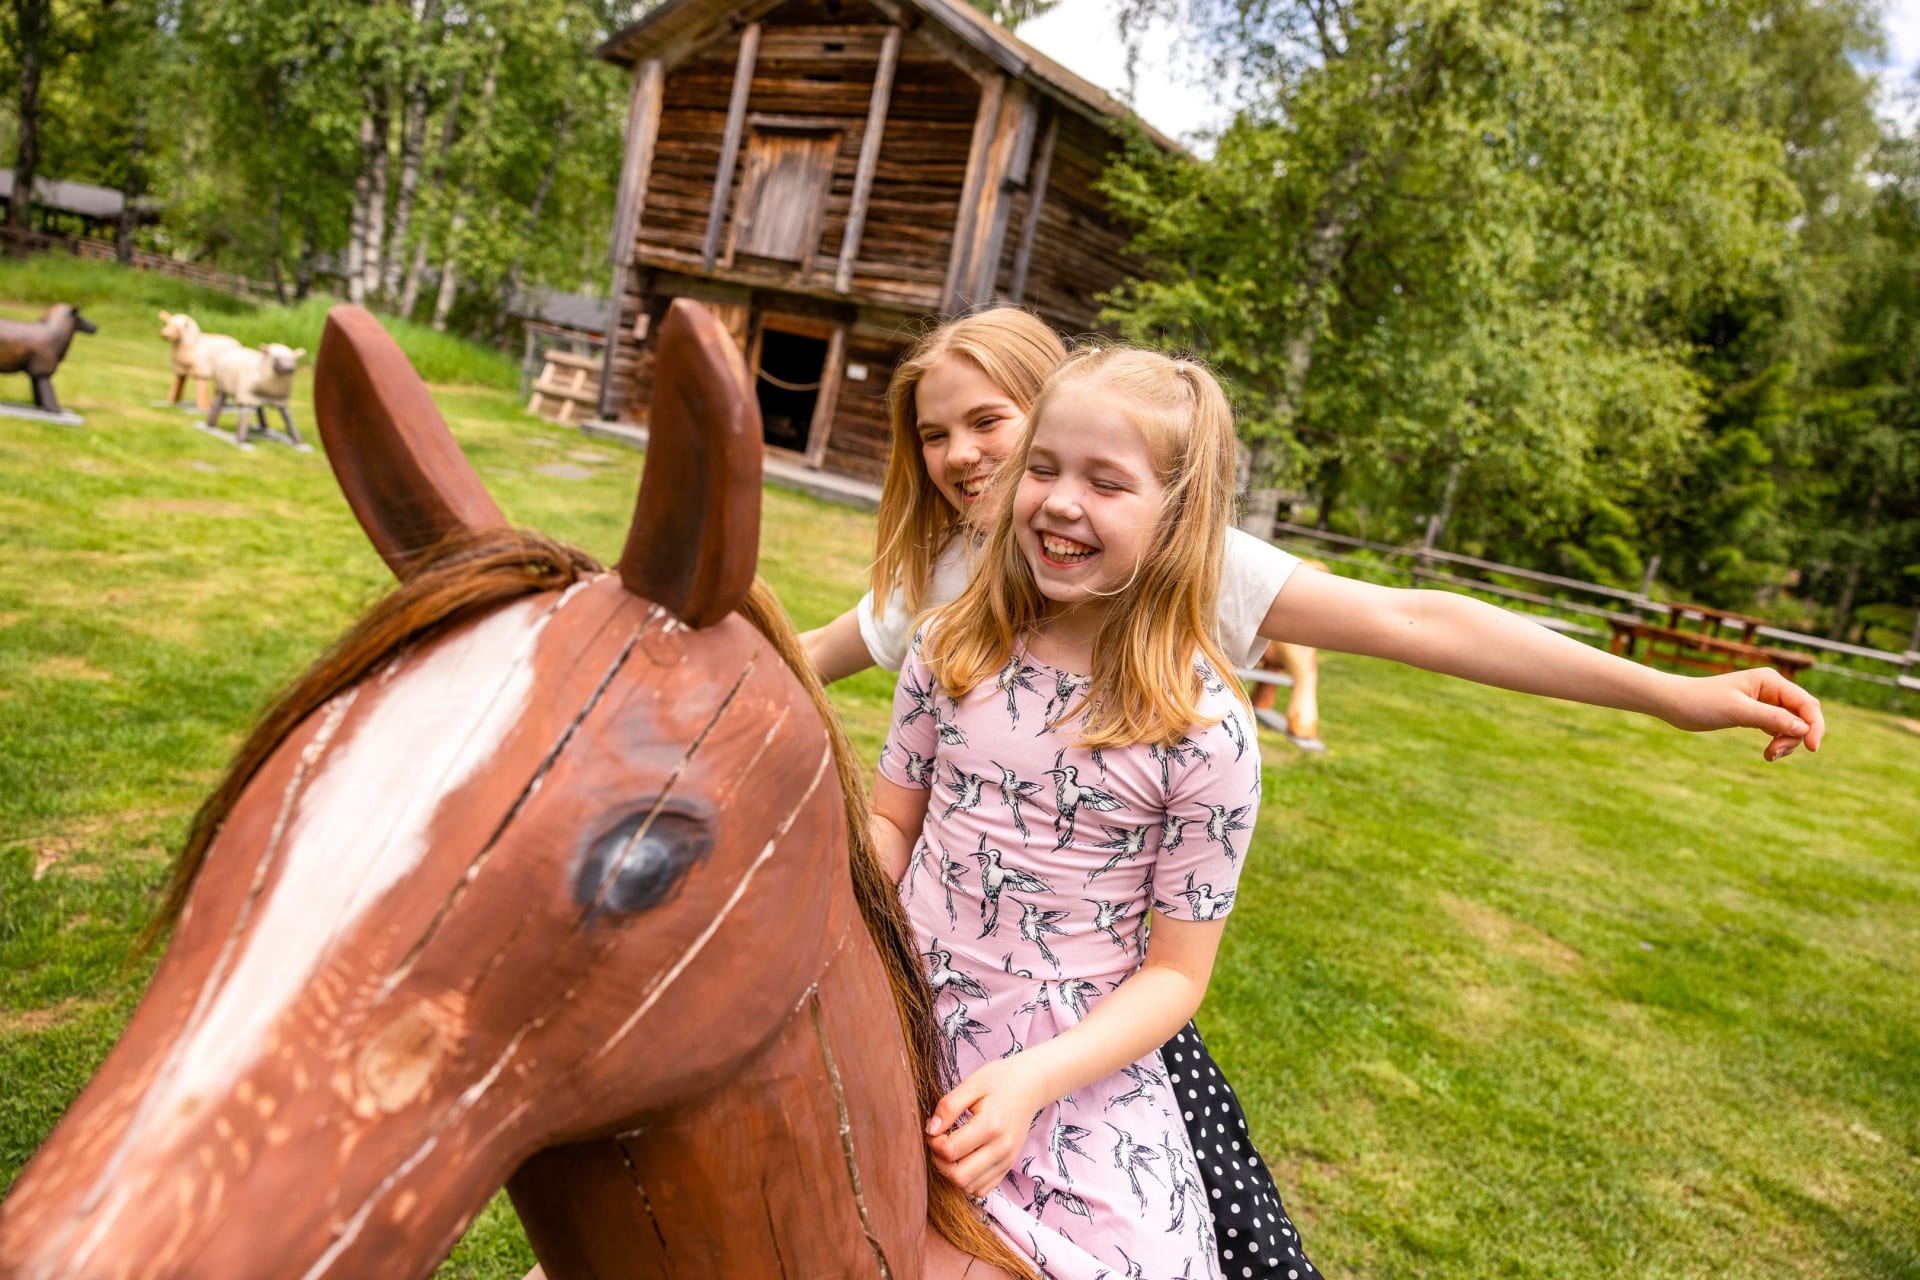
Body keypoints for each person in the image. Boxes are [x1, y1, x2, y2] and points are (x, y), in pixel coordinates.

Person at [873, 347, 1312, 1279]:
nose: (1061, 502)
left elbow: (1175, 977)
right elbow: (889, 830)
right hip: (897, 1004)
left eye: (1106, 482)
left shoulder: (1205, 733)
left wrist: (1033, 1082)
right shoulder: (948, 651)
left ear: (1179, 516)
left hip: (1065, 1066)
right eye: (1043, 468)